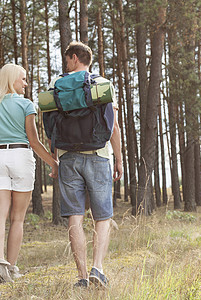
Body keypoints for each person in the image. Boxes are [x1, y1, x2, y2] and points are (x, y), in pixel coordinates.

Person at [45, 41, 122, 288]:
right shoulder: (101, 84)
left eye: (67, 59)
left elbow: (50, 129)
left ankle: (80, 277)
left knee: (74, 217)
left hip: (68, 157)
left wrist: (55, 158)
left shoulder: (55, 86)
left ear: (75, 57)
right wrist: (118, 158)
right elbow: (113, 126)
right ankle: (97, 268)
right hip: (99, 155)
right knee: (102, 216)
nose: (66, 65)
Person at [0, 63, 59, 284]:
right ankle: (11, 269)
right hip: (21, 156)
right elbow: (34, 141)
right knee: (17, 218)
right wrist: (53, 163)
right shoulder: (26, 104)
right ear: (11, 79)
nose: (25, 83)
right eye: (22, 79)